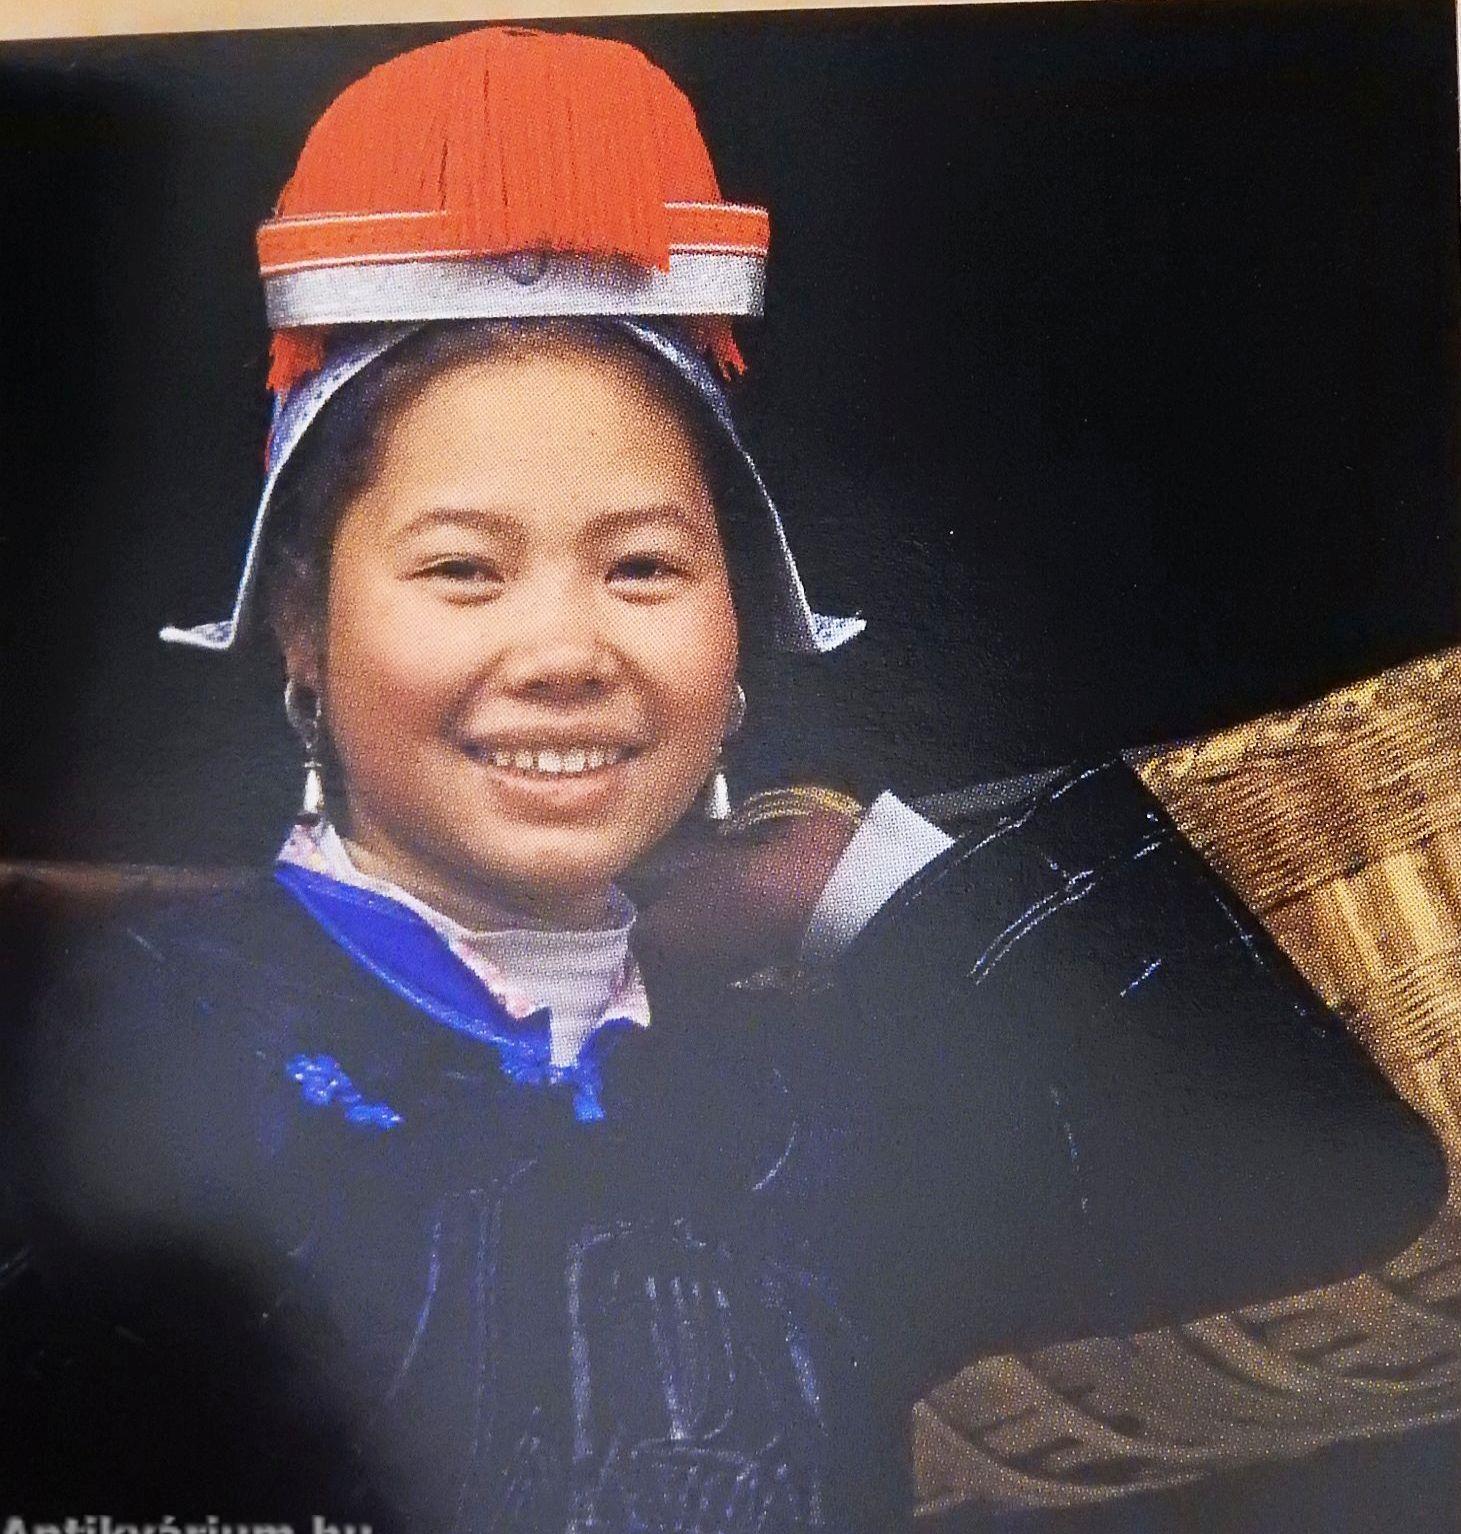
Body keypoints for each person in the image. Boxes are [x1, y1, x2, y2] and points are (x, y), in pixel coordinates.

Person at [0, 25, 1444, 1533]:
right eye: (461, 568)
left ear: (738, 636)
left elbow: (1324, 1173)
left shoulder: (792, 1108)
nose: (565, 652)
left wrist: (845, 874)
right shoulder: (114, 1054)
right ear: (303, 628)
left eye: (642, 566)